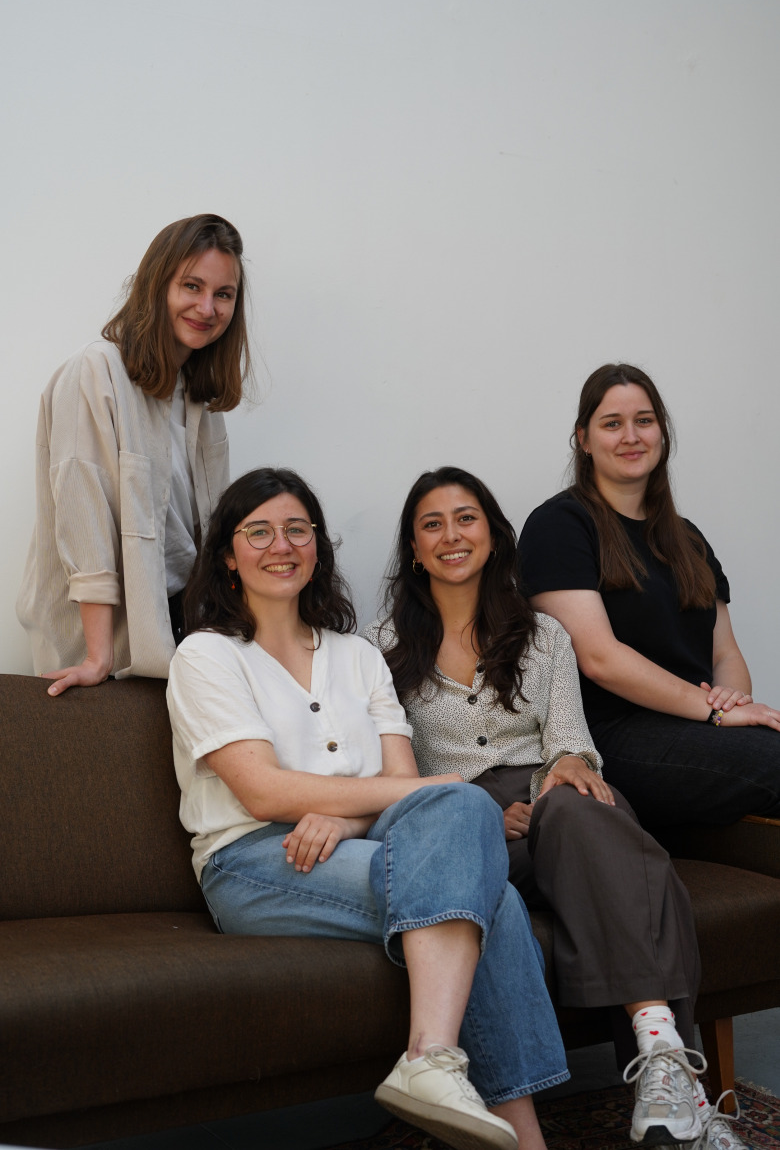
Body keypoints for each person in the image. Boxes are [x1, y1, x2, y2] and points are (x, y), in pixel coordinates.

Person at [166, 467, 569, 1150]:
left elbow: (401, 785)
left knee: (470, 843)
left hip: (362, 844)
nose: (281, 545)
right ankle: (471, 1098)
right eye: (258, 532)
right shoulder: (206, 656)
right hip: (254, 862)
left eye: (297, 529)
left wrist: (350, 818)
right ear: (228, 556)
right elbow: (264, 792)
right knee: (480, 865)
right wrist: (426, 791)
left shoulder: (358, 655)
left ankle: (437, 1069)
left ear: (317, 546)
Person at [364, 465, 746, 1150]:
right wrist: (479, 813)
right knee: (623, 851)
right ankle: (680, 1083)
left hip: (554, 800)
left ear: (493, 534)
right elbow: (391, 771)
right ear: (414, 550)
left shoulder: (542, 634)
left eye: (466, 518)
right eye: (432, 524)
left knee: (576, 803)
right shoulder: (380, 648)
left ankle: (660, 1056)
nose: (452, 535)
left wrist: (558, 777)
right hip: (456, 821)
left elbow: (570, 740)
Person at [517, 363, 780, 830]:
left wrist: (733, 702)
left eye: (644, 420)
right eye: (612, 424)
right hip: (612, 739)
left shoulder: (688, 538)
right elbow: (599, 658)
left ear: (662, 432)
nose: (631, 436)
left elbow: (725, 653)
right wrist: (716, 713)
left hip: (695, 728)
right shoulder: (560, 526)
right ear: (583, 439)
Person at [17, 213, 252, 693]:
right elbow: (83, 519)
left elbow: (206, 529)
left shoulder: (200, 398)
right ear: (156, 285)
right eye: (192, 286)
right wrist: (97, 656)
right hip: (105, 640)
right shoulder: (95, 371)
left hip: (180, 624)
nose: (207, 307)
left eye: (223, 294)